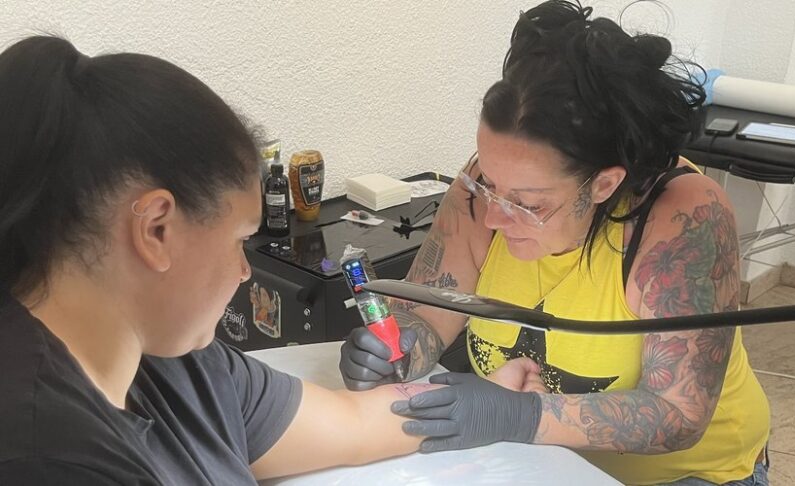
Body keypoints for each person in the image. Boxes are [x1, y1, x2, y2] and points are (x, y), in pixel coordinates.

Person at [0, 35, 536, 485]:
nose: (244, 272)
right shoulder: (46, 456)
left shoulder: (173, 361)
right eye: (240, 241)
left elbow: (351, 423)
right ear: (157, 230)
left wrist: (494, 401)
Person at [340, 1, 771, 484]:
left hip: (691, 473)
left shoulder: (684, 219)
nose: (494, 216)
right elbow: (423, 317)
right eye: (490, 185)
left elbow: (677, 414)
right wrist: (396, 351)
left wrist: (518, 416)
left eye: (527, 204)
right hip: (550, 462)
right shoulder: (484, 191)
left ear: (603, 184)